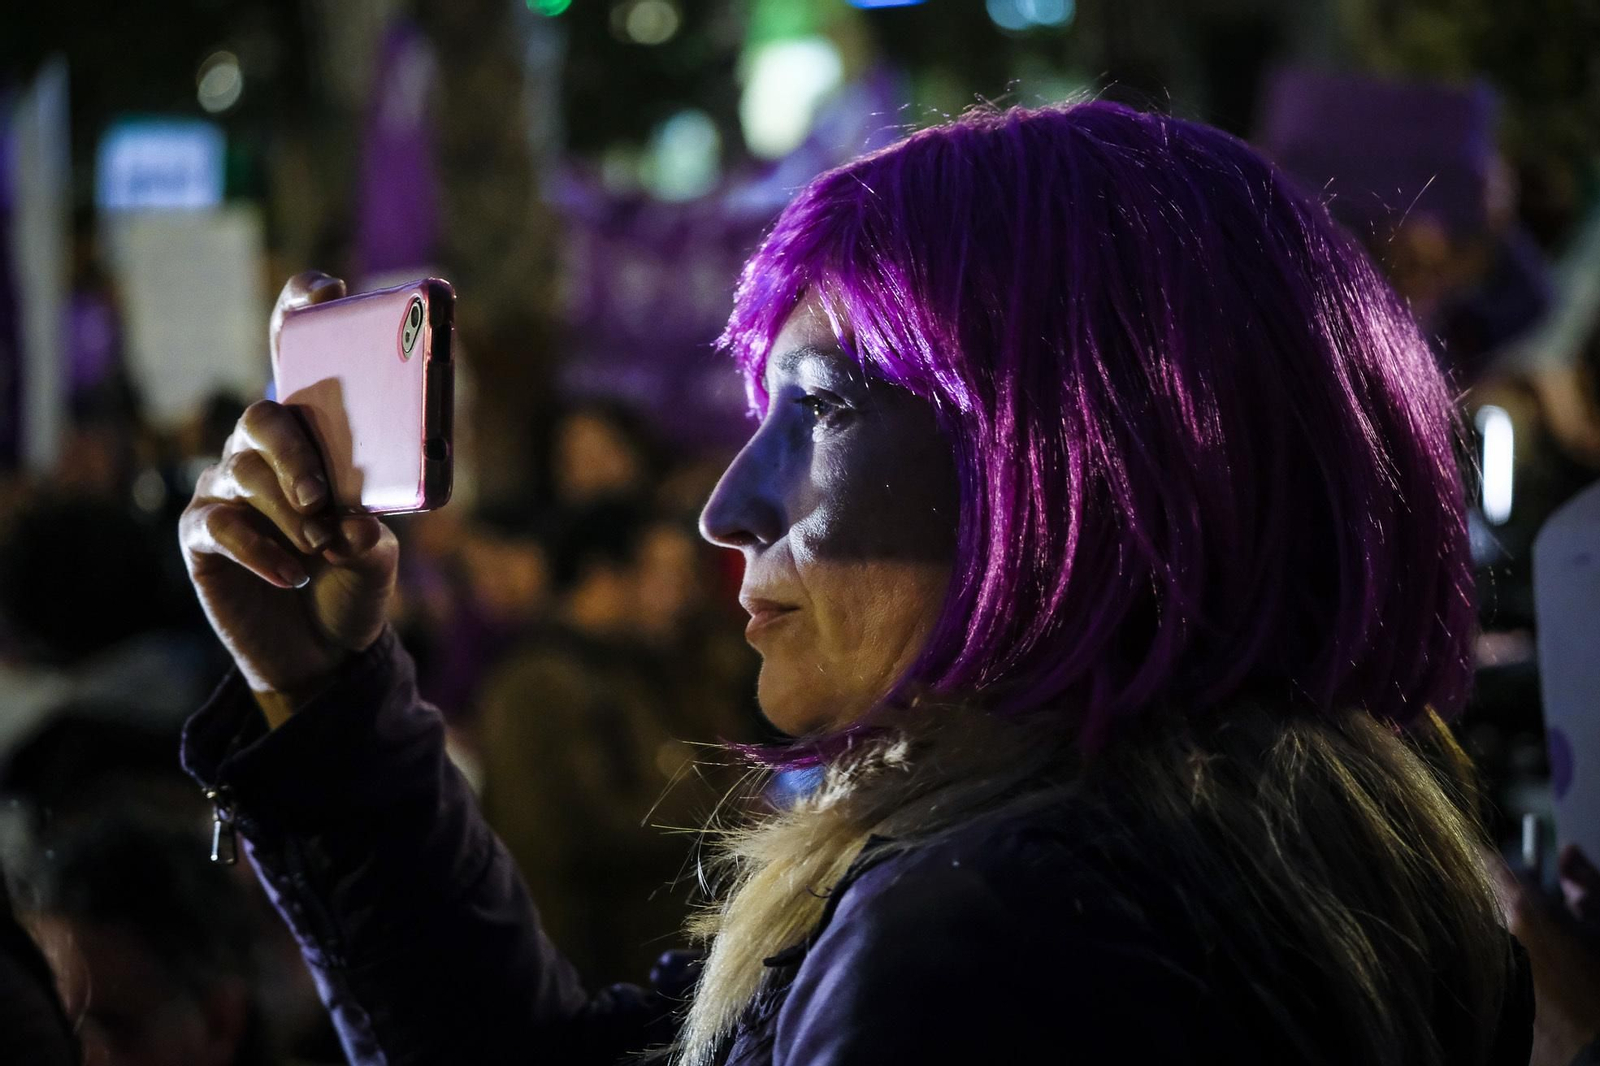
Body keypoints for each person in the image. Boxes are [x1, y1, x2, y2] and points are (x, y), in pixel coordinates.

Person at [177, 101, 1532, 1065]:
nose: (727, 502)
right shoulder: (1279, 853)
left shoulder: (980, 938)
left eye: (819, 410)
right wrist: (329, 695)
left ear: (1065, 461)